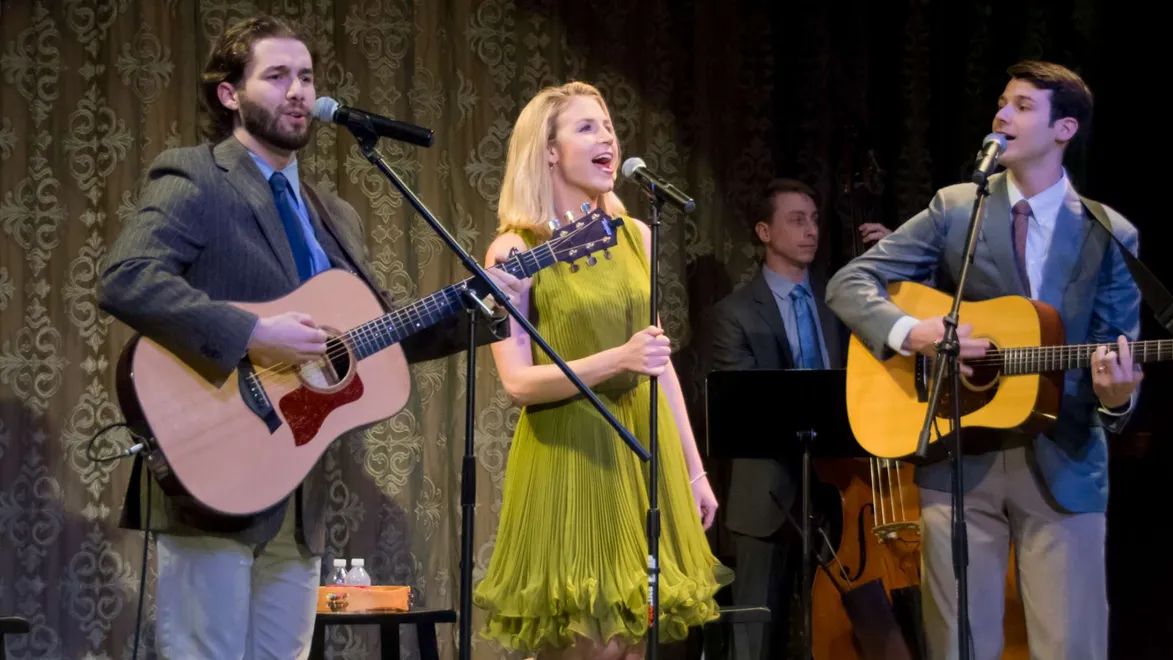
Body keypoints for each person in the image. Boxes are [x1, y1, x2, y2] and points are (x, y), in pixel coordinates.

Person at [99, 16, 515, 657]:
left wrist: (487, 309)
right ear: (229, 94)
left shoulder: (335, 214)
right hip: (211, 471)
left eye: (306, 77)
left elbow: (381, 336)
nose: (298, 91)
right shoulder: (196, 176)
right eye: (276, 76)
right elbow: (126, 278)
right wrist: (254, 333)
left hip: (299, 496)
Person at [825, 60, 1143, 660]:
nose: (1001, 115)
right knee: (957, 647)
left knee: (1070, 646)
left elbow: (1116, 351)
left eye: (1022, 106)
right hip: (958, 450)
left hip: (1064, 457)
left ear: (1064, 130)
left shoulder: (1110, 232)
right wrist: (910, 332)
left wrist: (1117, 396)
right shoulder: (956, 207)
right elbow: (850, 283)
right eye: (1002, 102)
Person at [473, 81, 730, 659]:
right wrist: (616, 359)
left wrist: (693, 472)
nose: (607, 137)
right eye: (587, 127)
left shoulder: (636, 235)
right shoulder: (515, 249)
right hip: (571, 453)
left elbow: (659, 366)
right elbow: (517, 383)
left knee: (633, 643)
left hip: (643, 451)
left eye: (609, 126)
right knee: (586, 647)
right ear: (548, 151)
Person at [708, 178, 848, 659]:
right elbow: (748, 406)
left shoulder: (841, 300)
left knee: (837, 630)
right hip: (765, 492)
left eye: (814, 220)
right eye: (796, 220)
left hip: (841, 491)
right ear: (764, 231)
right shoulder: (734, 314)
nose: (811, 231)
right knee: (754, 637)